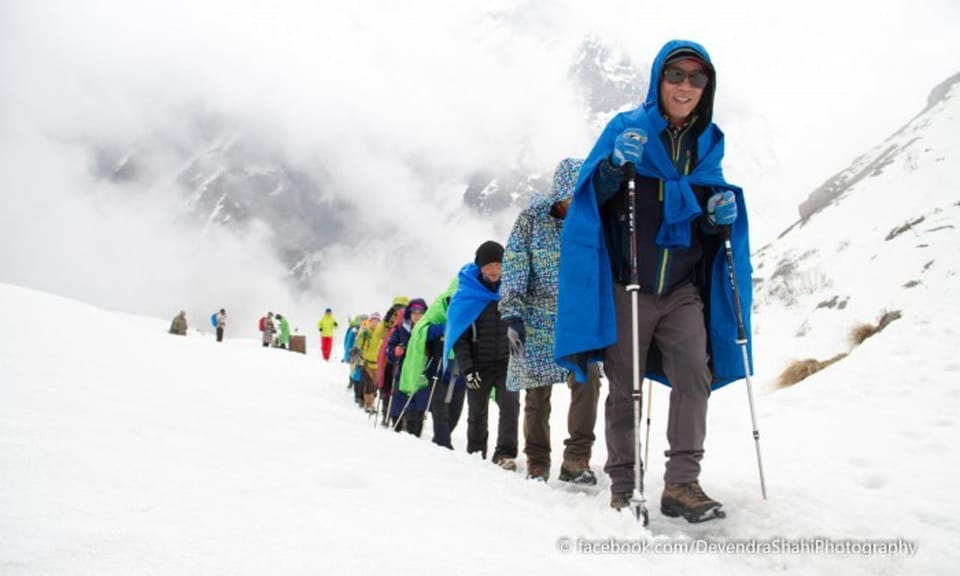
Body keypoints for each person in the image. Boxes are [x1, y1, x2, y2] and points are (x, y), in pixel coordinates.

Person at [555, 40, 752, 523]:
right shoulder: (626, 130)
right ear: (658, 81)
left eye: (697, 79)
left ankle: (682, 483)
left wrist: (717, 215)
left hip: (682, 288)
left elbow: (707, 220)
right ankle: (623, 485)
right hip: (631, 283)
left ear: (707, 88)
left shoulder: (707, 144)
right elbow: (591, 198)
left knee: (694, 375)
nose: (686, 86)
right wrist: (612, 165)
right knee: (625, 386)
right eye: (676, 76)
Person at [499, 158, 602, 484]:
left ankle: (576, 458)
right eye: (571, 196)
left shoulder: (591, 220)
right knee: (537, 392)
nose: (576, 203)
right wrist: (513, 314)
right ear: (559, 193)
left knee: (588, 380)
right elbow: (515, 263)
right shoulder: (531, 219)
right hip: (534, 316)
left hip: (576, 318)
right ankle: (538, 461)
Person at [445, 240, 520, 471]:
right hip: (477, 364)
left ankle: (504, 453)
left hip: (506, 362)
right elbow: (459, 336)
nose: (494, 270)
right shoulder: (467, 294)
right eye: (489, 265)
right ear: (480, 267)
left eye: (498, 264)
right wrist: (468, 369)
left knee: (511, 406)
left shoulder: (511, 290)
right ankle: (476, 453)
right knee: (477, 410)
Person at [397, 277, 466, 449]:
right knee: (440, 411)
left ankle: (440, 443)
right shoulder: (438, 310)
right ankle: (444, 446)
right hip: (438, 371)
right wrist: (443, 328)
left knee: (455, 413)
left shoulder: (472, 313)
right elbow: (423, 331)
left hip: (461, 371)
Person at [386, 298, 440, 436]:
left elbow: (436, 348)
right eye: (414, 312)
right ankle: (397, 432)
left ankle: (414, 438)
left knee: (418, 409)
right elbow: (389, 351)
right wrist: (395, 352)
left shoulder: (428, 330)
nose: (417, 315)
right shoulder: (401, 330)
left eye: (420, 312)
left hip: (422, 374)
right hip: (403, 374)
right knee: (398, 408)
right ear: (409, 313)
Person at [354, 312, 383, 412]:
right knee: (368, 384)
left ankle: (371, 402)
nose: (375, 323)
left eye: (377, 321)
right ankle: (368, 405)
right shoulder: (364, 333)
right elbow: (357, 346)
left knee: (375, 386)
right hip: (366, 364)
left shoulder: (382, 334)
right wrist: (357, 360)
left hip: (377, 365)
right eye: (373, 321)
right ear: (369, 322)